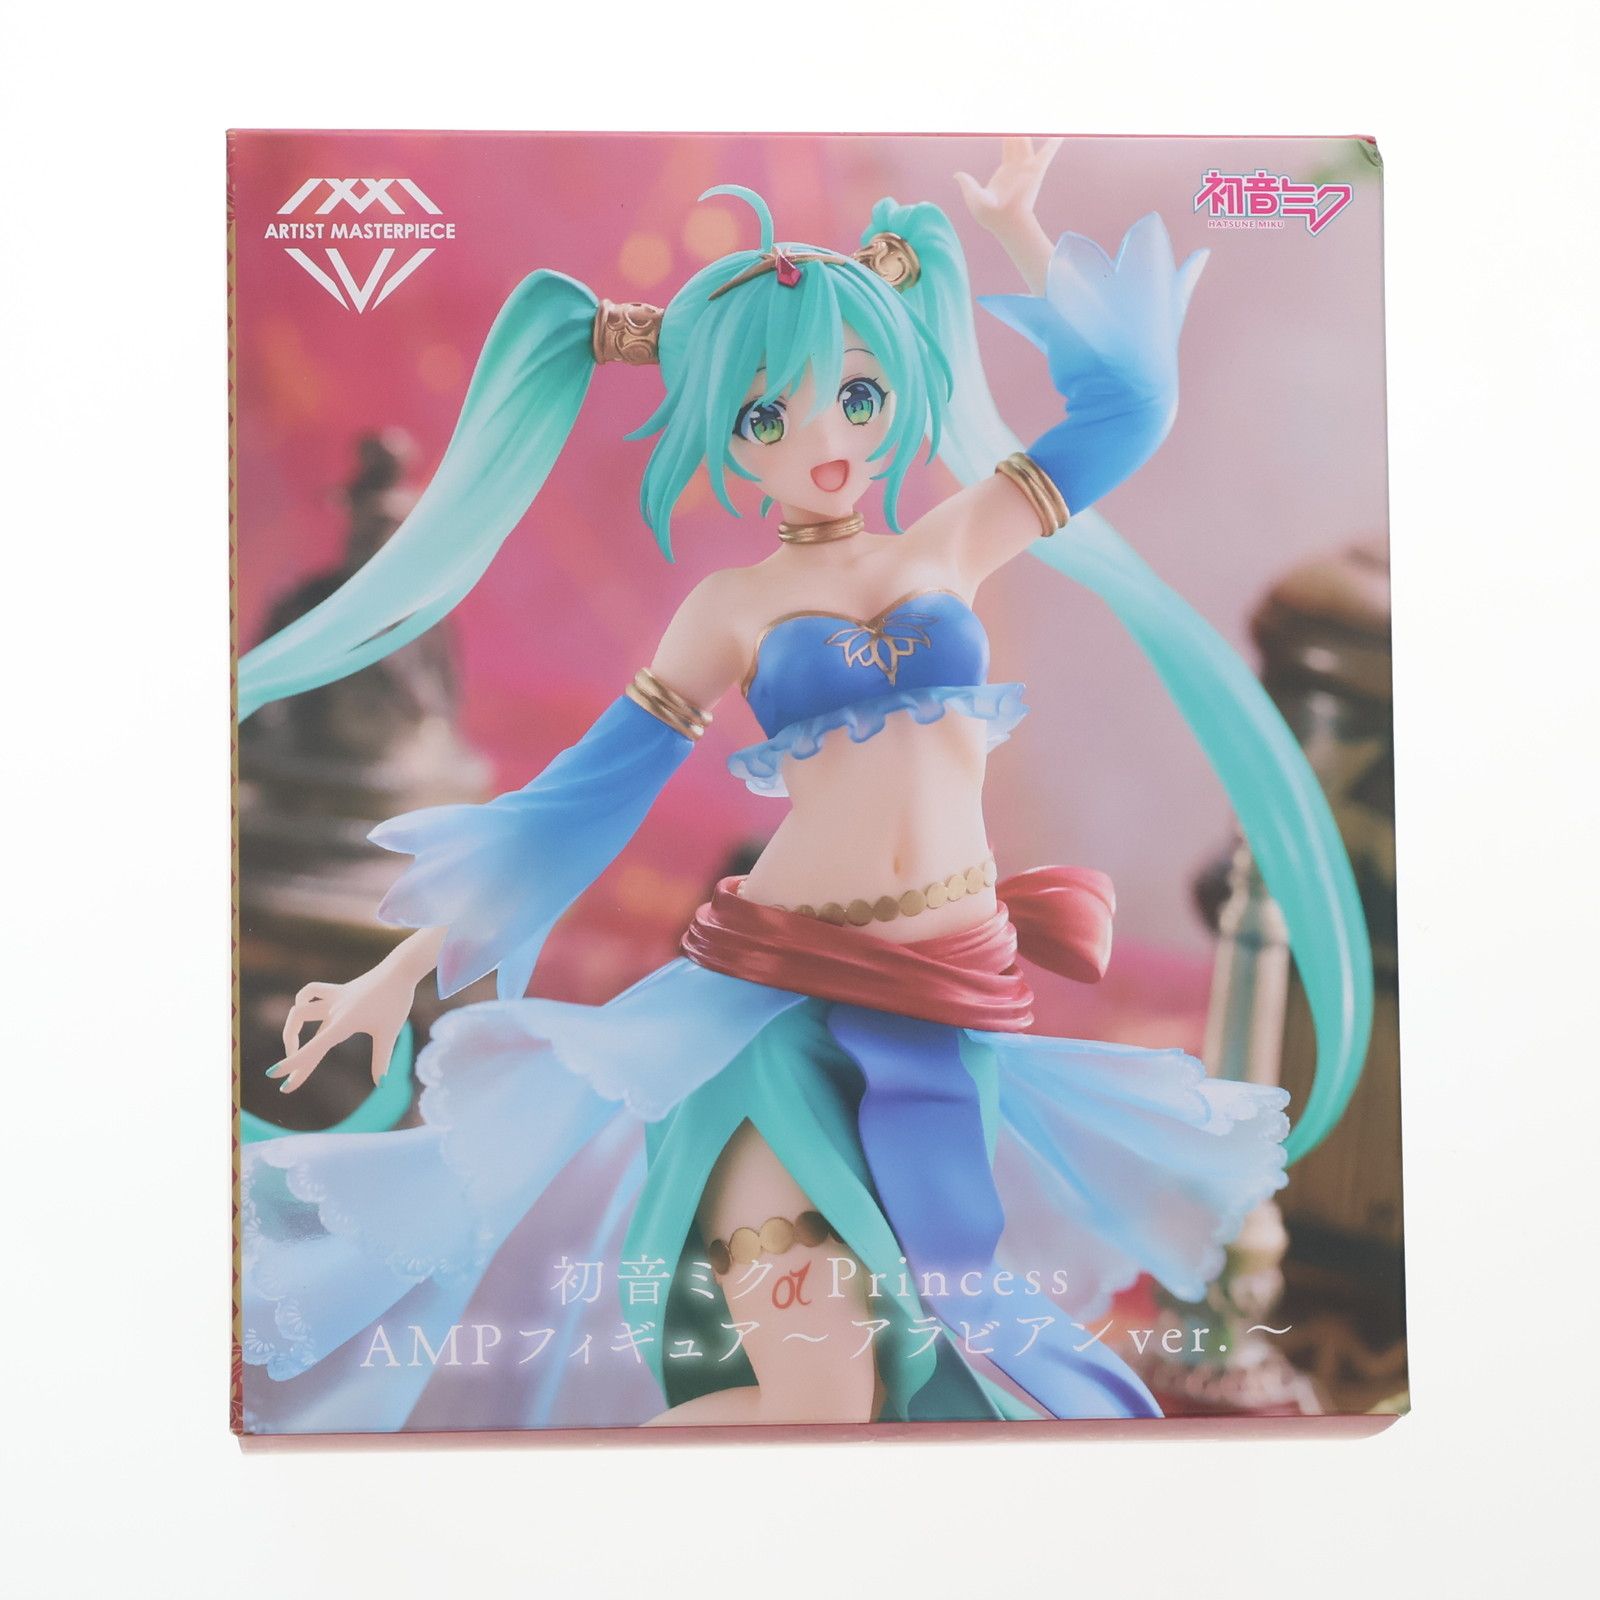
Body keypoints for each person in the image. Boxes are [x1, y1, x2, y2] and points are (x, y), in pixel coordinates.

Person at [239, 139, 1370, 1431]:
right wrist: (402, 965)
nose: (825, 440)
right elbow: (584, 799)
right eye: (767, 418)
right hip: (769, 1014)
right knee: (821, 1390)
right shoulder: (730, 608)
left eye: (857, 393)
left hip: (944, 1011)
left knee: (941, 1382)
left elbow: (1129, 407)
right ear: (717, 434)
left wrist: (1017, 229)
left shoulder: (957, 538)